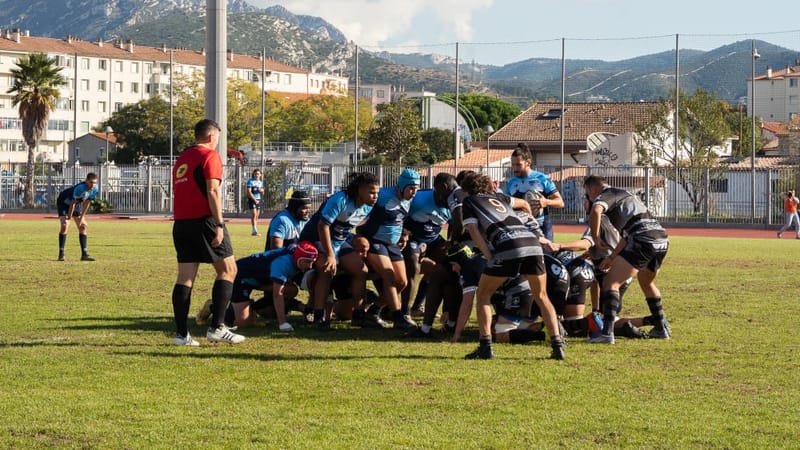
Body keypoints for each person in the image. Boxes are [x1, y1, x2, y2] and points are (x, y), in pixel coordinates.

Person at [460, 172, 565, 360]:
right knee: (541, 296)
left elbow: (473, 231)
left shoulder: (469, 202)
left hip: (508, 246)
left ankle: (485, 347)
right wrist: (532, 221)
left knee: (483, 295)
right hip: (532, 243)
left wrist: (489, 255)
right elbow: (524, 204)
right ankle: (557, 346)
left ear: (466, 190)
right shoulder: (500, 197)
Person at [170, 118, 244, 346]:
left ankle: (182, 335)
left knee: (185, 278)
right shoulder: (210, 156)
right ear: (211, 136)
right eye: (218, 138)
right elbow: (213, 191)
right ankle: (217, 327)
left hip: (181, 223)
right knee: (229, 269)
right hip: (205, 222)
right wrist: (219, 224)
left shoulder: (183, 158)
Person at [584, 174, 670, 344]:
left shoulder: (608, 194)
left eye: (587, 193)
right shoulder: (628, 197)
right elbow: (625, 236)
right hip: (660, 238)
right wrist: (612, 256)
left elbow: (596, 211)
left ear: (593, 189)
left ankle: (607, 333)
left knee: (610, 282)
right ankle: (661, 328)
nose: (588, 198)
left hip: (642, 238)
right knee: (647, 282)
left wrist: (595, 237)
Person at [299, 172, 379, 329]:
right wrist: (330, 254)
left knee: (361, 270)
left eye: (377, 192)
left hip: (338, 241)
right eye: (371, 192)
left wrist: (356, 239)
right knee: (327, 269)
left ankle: (358, 315)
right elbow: (322, 226)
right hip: (315, 239)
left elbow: (348, 227)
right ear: (359, 190)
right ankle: (319, 317)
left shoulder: (368, 206)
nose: (375, 196)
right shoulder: (340, 200)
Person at [357, 168, 421, 329]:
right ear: (401, 186)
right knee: (389, 275)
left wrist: (404, 234)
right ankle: (398, 317)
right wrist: (359, 236)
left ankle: (374, 310)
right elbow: (360, 210)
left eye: (416, 188)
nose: (414, 192)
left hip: (392, 245)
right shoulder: (382, 196)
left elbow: (400, 220)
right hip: (375, 241)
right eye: (411, 188)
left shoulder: (409, 200)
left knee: (401, 282)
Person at [228, 241, 318, 331]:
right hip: (241, 277)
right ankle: (226, 311)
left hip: (259, 280)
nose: (310, 266)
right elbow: (277, 294)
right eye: (307, 262)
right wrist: (282, 323)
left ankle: (253, 307)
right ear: (299, 259)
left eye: (312, 262)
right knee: (244, 323)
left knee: (291, 290)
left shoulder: (295, 255)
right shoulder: (283, 263)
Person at [505, 143, 564, 240]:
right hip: (522, 225)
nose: (515, 168)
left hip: (542, 224)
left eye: (518, 165)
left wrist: (546, 202)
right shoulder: (511, 183)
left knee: (547, 253)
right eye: (513, 165)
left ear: (528, 162)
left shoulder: (542, 179)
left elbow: (560, 202)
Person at [56, 173, 99, 262]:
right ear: (86, 181)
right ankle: (61, 254)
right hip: (64, 203)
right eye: (91, 182)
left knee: (82, 226)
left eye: (94, 183)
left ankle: (84, 255)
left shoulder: (94, 189)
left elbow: (87, 203)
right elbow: (72, 203)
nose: (92, 185)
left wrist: (82, 218)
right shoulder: (79, 188)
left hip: (76, 204)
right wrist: (69, 218)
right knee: (65, 225)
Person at [246, 169, 265, 236]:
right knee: (254, 214)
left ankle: (254, 229)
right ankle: (254, 230)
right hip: (252, 199)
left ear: (260, 175)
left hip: (258, 199)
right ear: (253, 174)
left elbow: (263, 192)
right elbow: (249, 192)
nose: (257, 175)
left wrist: (261, 191)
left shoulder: (260, 182)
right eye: (255, 173)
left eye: (258, 173)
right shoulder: (250, 181)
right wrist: (254, 200)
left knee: (257, 215)